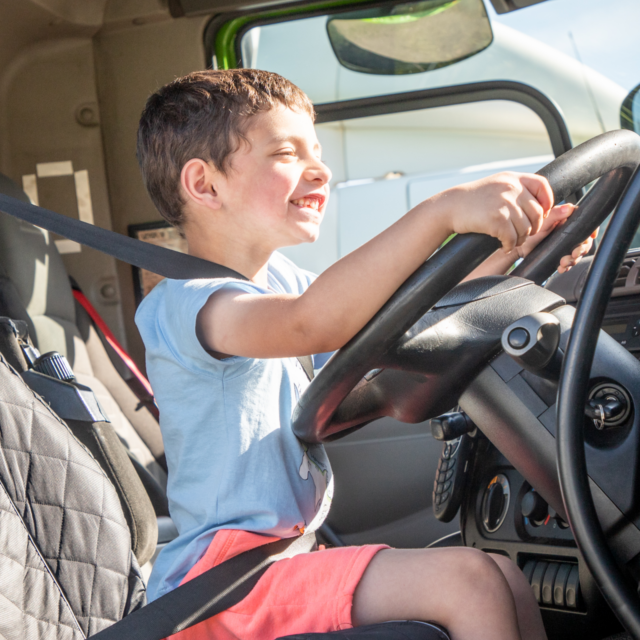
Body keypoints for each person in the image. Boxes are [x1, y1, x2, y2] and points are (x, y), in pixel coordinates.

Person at [135, 69, 594, 640]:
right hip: (222, 585)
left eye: (318, 150)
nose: (321, 169)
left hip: (285, 555)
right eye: (286, 151)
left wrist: (515, 255)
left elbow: (394, 311)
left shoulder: (276, 281)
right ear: (205, 186)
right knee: (469, 581)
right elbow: (312, 322)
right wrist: (441, 212)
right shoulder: (188, 305)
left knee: (503, 572)